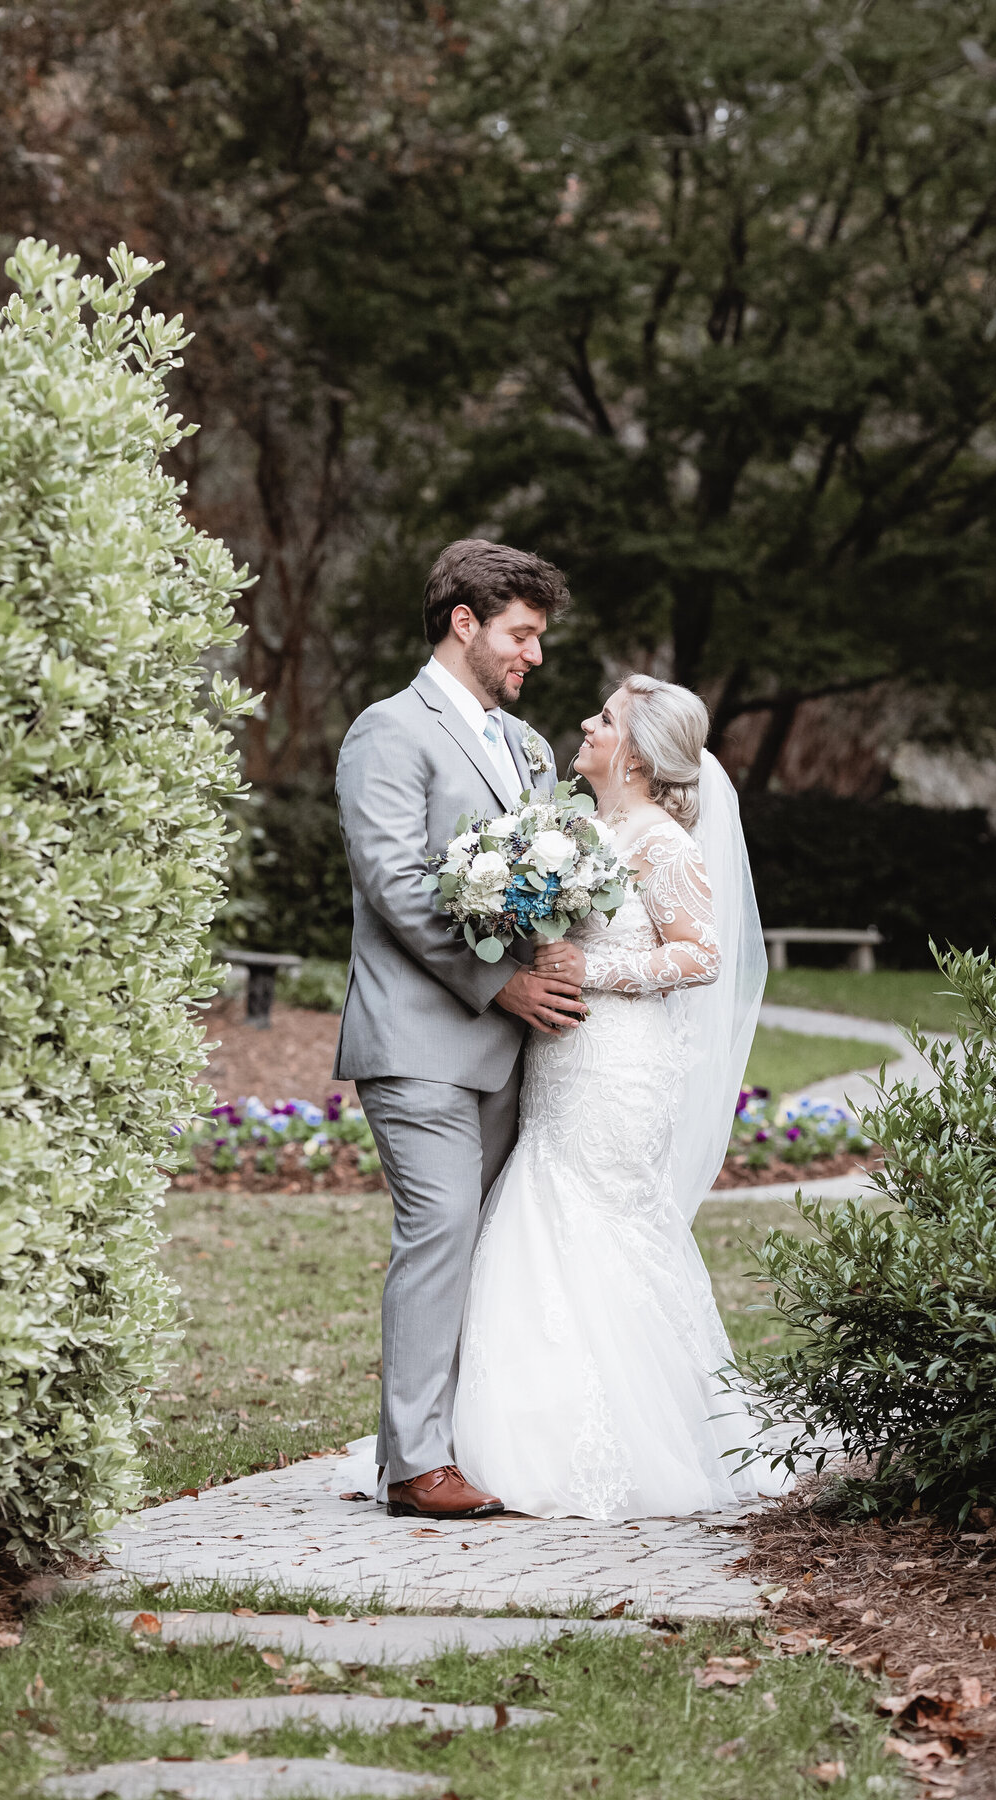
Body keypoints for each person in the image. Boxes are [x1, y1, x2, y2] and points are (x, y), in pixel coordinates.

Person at [449, 674, 770, 1519]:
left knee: (590, 1221)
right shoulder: (579, 831)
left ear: (634, 753)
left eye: (605, 719)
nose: (587, 726)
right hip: (560, 1060)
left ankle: (623, 1445)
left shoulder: (663, 843)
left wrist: (594, 968)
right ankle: (533, 1431)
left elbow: (701, 955)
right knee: (544, 1217)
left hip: (620, 1067)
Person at [333, 538, 587, 1522]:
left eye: (539, 637)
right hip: (418, 1038)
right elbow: (396, 883)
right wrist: (501, 985)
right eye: (521, 635)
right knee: (438, 1229)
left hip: (511, 1051)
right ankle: (415, 1469)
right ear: (464, 622)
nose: (535, 655)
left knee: (485, 1248)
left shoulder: (529, 749)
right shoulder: (388, 732)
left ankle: (453, 1441)